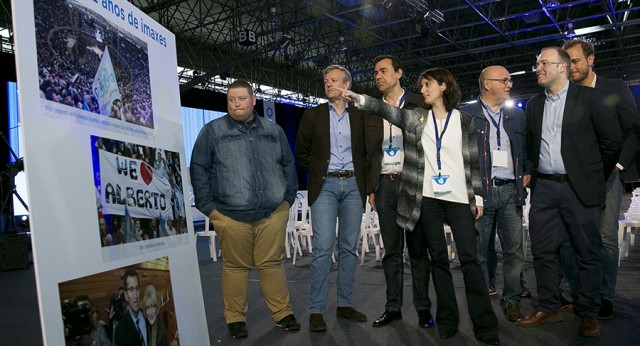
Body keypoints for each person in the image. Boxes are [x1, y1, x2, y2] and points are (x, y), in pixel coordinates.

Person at [337, 67, 500, 345]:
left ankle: (485, 324)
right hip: (427, 200)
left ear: (443, 87)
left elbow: (474, 162)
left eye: (427, 85)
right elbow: (385, 110)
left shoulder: (464, 120)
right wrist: (359, 98)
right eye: (421, 86)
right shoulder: (416, 118)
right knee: (438, 260)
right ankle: (448, 320)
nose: (422, 91)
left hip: (459, 198)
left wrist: (479, 197)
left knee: (471, 261)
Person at [515, 47, 621, 337]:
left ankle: (588, 312)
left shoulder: (589, 98)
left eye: (543, 63)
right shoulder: (535, 105)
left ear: (562, 67)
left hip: (579, 188)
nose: (537, 68)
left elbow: (611, 142)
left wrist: (591, 176)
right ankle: (549, 305)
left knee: (587, 253)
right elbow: (529, 147)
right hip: (545, 189)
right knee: (542, 251)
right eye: (536, 63)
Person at [190, 79, 300, 339]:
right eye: (231, 99)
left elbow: (288, 164)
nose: (236, 103)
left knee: (272, 264)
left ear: (253, 100)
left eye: (241, 98)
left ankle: (283, 313)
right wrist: (210, 210)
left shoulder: (274, 131)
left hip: (272, 213)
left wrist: (286, 202)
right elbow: (199, 169)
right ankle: (235, 319)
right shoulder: (212, 131)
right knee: (236, 268)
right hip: (231, 216)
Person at [559, 39, 640, 320]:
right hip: (571, 177)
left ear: (591, 59)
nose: (572, 68)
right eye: (567, 63)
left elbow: (633, 131)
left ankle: (605, 295)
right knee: (569, 237)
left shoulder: (614, 89)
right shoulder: (564, 94)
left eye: (576, 61)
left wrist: (618, 166)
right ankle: (570, 291)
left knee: (606, 238)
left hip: (608, 176)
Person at [295, 65, 374, 332]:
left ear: (347, 83)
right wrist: (320, 172)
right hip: (325, 186)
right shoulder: (313, 115)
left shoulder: (361, 115)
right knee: (322, 249)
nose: (328, 84)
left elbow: (368, 152)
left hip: (354, 185)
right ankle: (316, 310)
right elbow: (302, 152)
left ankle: (344, 305)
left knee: (349, 248)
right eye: (325, 80)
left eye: (333, 80)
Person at [367, 55, 434, 329]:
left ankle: (422, 309)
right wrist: (372, 187)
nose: (378, 76)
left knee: (418, 252)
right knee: (391, 253)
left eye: (383, 71)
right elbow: (368, 152)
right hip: (384, 186)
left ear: (399, 73)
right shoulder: (371, 110)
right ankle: (393, 307)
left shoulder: (420, 103)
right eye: (375, 73)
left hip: (413, 184)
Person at [461, 65, 528, 322]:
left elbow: (527, 147)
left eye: (509, 80)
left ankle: (511, 300)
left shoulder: (516, 116)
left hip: (511, 191)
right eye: (505, 80)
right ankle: (480, 303)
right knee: (477, 252)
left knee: (514, 250)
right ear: (487, 84)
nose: (510, 84)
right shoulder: (466, 114)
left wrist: (527, 169)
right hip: (481, 193)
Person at [114, 269, 148, 346]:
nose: (135, 295)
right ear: (126, 295)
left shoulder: (149, 317)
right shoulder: (120, 330)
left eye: (137, 288)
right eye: (131, 289)